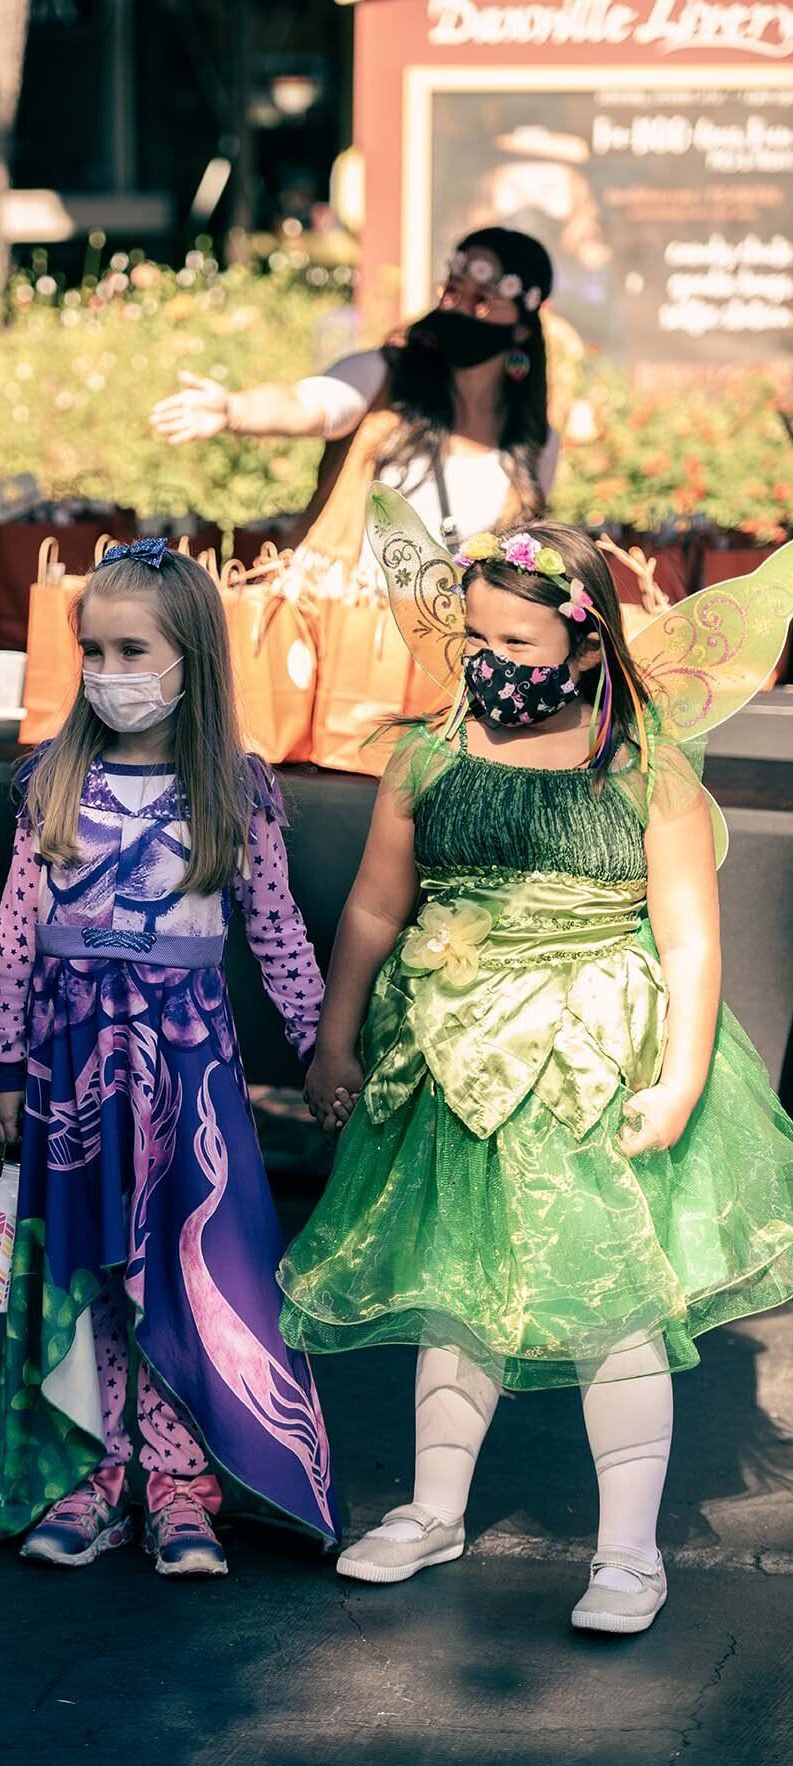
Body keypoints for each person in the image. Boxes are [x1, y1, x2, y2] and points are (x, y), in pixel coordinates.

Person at [278, 500, 793, 1634]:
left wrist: (684, 1072)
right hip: (453, 1060)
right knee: (457, 1289)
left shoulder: (644, 768)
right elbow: (374, 902)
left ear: (587, 643)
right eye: (478, 639)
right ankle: (432, 1506)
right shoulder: (430, 754)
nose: (492, 662)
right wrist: (335, 1031)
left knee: (615, 1298)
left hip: (591, 1059)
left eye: (520, 643)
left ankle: (626, 1551)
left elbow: (691, 932)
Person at [0, 538, 337, 1576]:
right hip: (68, 1066)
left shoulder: (236, 788)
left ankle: (183, 1489)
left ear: (192, 659)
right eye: (92, 649)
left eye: (131, 647)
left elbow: (277, 932)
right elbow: (14, 926)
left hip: (185, 1077)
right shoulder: (54, 778)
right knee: (88, 1269)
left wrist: (322, 1050)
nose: (106, 671)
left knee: (185, 1274)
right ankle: (93, 1479)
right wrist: (4, 1060)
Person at [151, 228, 559, 618]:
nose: (458, 310)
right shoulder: (381, 377)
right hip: (340, 624)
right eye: (453, 291)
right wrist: (233, 411)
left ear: (522, 325)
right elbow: (304, 403)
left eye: (482, 301)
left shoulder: (536, 442)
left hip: (443, 651)